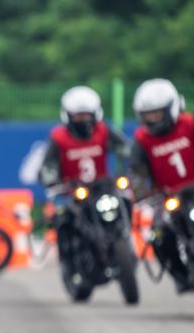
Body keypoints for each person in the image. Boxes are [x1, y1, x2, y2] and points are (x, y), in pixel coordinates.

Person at [130, 78, 194, 291]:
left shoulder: (192, 124)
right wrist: (141, 191)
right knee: (160, 236)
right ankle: (181, 275)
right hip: (168, 198)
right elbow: (138, 173)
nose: (152, 119)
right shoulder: (142, 140)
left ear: (171, 108)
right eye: (147, 114)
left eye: (157, 113)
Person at [38, 86, 130, 260]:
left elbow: (126, 150)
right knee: (63, 218)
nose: (82, 120)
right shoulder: (58, 137)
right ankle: (69, 257)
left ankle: (126, 238)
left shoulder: (104, 131)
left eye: (86, 115)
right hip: (72, 192)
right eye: (77, 116)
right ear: (68, 116)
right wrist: (52, 181)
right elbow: (48, 166)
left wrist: (131, 169)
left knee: (125, 201)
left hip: (102, 188)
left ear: (95, 114)